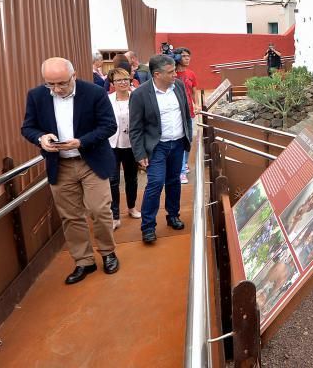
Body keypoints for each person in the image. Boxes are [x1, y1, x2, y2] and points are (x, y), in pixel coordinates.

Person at [21, 57, 119, 284]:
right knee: (70, 216)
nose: (56, 89)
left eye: (62, 83)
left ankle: (108, 252)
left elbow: (108, 126)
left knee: (99, 210)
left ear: (73, 76)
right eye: (50, 84)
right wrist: (40, 137)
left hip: (91, 160)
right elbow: (28, 127)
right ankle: (84, 261)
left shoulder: (94, 92)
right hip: (60, 164)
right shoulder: (36, 96)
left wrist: (81, 142)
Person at [129, 54, 193, 244]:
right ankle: (148, 227)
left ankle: (173, 215)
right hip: (157, 147)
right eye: (171, 72)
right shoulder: (140, 94)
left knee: (174, 181)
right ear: (157, 74)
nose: (175, 74)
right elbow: (135, 127)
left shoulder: (179, 87)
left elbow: (185, 113)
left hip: (178, 144)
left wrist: (188, 136)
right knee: (155, 183)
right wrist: (139, 153)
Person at [107, 67, 141, 230]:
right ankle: (114, 215)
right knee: (113, 180)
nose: (123, 82)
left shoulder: (136, 97)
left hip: (131, 144)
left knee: (131, 178)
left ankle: (132, 207)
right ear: (112, 83)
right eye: (119, 80)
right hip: (112, 144)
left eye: (126, 79)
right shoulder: (108, 99)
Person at [174, 47, 199, 184]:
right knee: (181, 140)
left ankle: (184, 164)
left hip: (189, 111)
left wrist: (196, 105)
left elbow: (194, 91)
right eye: (184, 56)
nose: (187, 58)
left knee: (188, 140)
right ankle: (181, 170)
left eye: (188, 56)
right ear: (177, 57)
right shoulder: (172, 73)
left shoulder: (191, 73)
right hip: (178, 113)